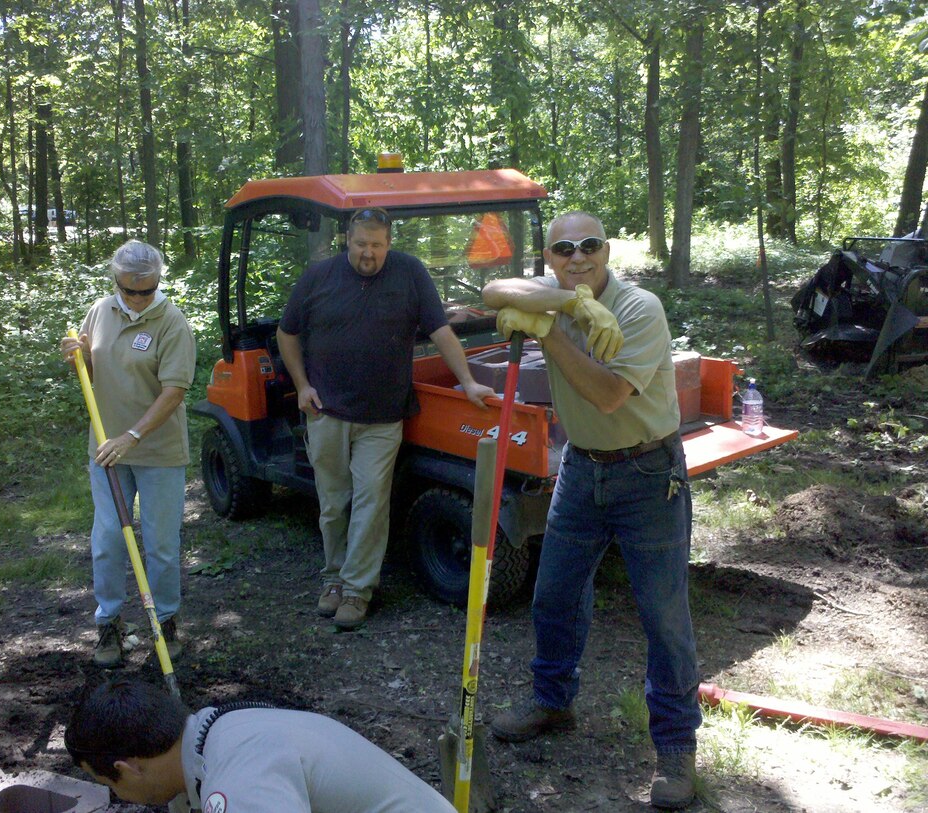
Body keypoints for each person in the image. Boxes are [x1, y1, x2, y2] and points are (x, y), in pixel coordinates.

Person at [482, 211, 700, 810]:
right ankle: (553, 703)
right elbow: (491, 290)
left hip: (647, 472)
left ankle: (677, 746)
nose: (578, 257)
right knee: (553, 593)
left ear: (607, 249)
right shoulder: (559, 297)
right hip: (581, 469)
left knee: (662, 613)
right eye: (563, 248)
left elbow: (607, 396)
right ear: (549, 257)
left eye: (589, 246)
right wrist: (569, 307)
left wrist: (550, 327)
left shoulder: (637, 309)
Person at [276, 208, 495, 630]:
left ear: (389, 243)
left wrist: (467, 382)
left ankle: (358, 590)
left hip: (382, 416)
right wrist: (301, 385)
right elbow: (287, 333)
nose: (368, 253)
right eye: (361, 244)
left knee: (371, 503)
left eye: (377, 245)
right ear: (347, 240)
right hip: (326, 412)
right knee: (333, 504)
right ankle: (333, 579)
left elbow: (441, 331)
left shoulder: (409, 273)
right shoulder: (319, 278)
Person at [60, 240, 197, 668]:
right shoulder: (101, 311)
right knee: (106, 541)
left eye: (146, 289)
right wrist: (77, 358)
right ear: (115, 281)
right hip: (106, 449)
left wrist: (132, 436)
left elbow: (174, 392)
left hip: (158, 451)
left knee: (159, 546)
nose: (138, 297)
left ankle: (165, 621)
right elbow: (95, 370)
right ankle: (109, 623)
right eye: (129, 289)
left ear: (157, 281)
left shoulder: (172, 322)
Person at [65, 678, 456, 813]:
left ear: (127, 768)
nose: (121, 796)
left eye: (110, 784)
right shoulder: (220, 734)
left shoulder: (239, 778)